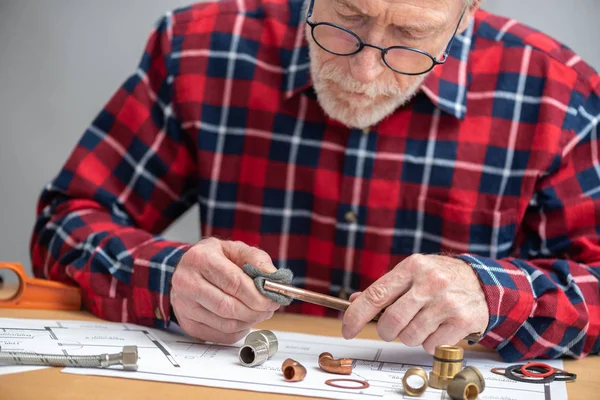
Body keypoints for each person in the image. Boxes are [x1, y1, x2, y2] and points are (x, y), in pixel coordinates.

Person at [31, 0, 600, 362]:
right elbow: (65, 221)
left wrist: (490, 295)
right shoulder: (198, 48)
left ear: (467, 10)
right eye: (347, 19)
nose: (364, 71)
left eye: (409, 35)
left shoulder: (556, 93)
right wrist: (164, 277)